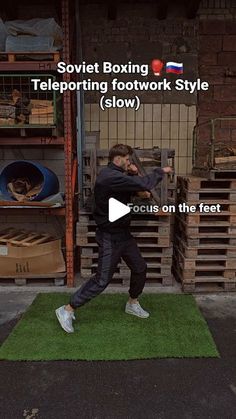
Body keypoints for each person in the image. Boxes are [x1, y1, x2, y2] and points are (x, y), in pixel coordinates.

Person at [56, 144, 173, 333]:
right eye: (127, 159)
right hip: (110, 237)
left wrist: (134, 175)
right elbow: (144, 186)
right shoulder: (109, 177)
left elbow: (137, 190)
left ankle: (132, 303)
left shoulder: (118, 177)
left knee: (140, 268)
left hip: (124, 234)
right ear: (118, 159)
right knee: (102, 280)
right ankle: (67, 309)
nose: (130, 163)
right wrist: (160, 171)